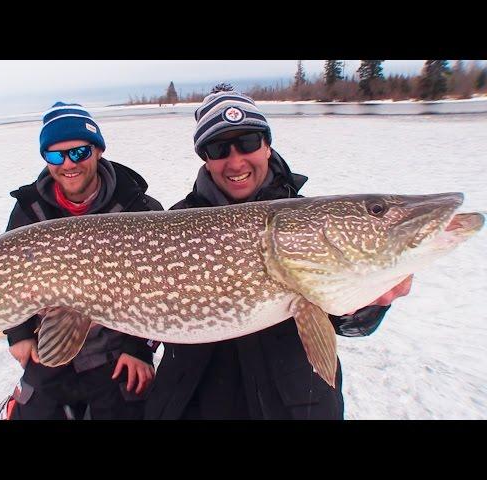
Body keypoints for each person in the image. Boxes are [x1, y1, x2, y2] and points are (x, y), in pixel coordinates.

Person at [144, 84, 413, 420]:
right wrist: (137, 350)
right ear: (206, 159)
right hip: (193, 403)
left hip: (292, 407)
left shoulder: (310, 220)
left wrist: (370, 303)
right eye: (218, 148)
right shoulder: (175, 225)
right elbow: (143, 306)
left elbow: (346, 323)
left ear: (267, 146)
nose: (236, 160)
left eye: (248, 142)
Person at [0, 101, 163, 420]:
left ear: (97, 151)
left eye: (80, 153)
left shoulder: (138, 207)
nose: (68, 164)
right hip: (51, 346)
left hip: (115, 347)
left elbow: (165, 289)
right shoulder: (30, 212)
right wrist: (17, 333)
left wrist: (139, 348)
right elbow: (6, 275)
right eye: (56, 155)